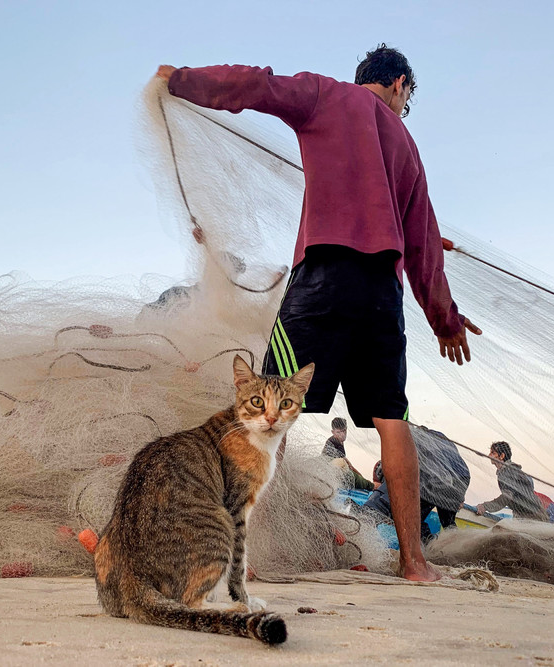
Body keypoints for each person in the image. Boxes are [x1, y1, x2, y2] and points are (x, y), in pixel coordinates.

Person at [156, 44, 482, 582]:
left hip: (323, 278)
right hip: (383, 291)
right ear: (400, 84)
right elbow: (423, 242)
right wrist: (445, 320)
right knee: (390, 420)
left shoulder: (326, 94)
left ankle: (244, 559)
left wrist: (186, 80)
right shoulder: (406, 144)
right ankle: (414, 563)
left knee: (269, 407)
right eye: (407, 97)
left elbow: (257, 85)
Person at [363, 426, 471, 541]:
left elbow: (391, 486)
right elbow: (452, 465)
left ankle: (361, 520)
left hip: (433, 473)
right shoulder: (435, 436)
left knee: (378, 506)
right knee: (444, 525)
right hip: (461, 479)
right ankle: (441, 548)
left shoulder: (405, 445)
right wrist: (458, 496)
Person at [475, 441, 547, 521]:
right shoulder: (511, 470)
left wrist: (485, 507)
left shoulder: (507, 471)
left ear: (502, 456)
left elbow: (507, 497)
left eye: (493, 453)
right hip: (530, 514)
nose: (489, 455)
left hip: (533, 516)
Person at [322, 417, 377, 491]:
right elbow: (347, 465)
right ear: (333, 432)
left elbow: (347, 463)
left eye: (344, 431)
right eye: (338, 432)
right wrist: (368, 483)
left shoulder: (339, 441)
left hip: (334, 472)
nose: (342, 435)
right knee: (345, 468)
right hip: (329, 473)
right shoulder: (333, 441)